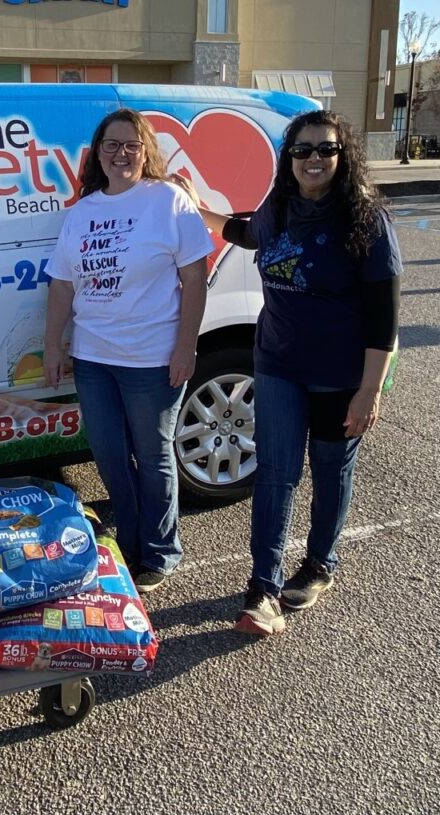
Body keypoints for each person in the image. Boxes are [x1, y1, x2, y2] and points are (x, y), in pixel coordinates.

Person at [173, 110, 400, 636]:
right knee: (276, 474)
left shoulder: (366, 220)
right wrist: (195, 203)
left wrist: (369, 391)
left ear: (343, 157)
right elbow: (243, 232)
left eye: (325, 149)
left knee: (328, 469)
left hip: (339, 374)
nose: (314, 159)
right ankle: (264, 587)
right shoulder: (280, 206)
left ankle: (320, 564)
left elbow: (384, 318)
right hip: (276, 364)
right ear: (289, 158)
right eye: (302, 150)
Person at [43, 108, 213, 594]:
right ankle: (133, 544)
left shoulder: (168, 201)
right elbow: (61, 285)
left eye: (131, 145)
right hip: (95, 357)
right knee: (111, 456)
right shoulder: (82, 211)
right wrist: (53, 345)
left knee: (153, 454)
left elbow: (195, 279)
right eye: (112, 145)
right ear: (98, 154)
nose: (121, 154)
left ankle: (160, 551)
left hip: (151, 357)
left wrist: (186, 347)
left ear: (146, 152)